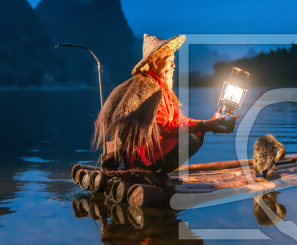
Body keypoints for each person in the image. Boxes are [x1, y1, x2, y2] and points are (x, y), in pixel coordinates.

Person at [94, 34, 236, 178]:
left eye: (174, 61)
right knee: (192, 139)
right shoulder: (146, 90)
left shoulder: (163, 88)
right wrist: (204, 125)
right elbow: (161, 128)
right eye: (170, 61)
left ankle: (157, 172)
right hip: (142, 157)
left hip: (156, 150)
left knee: (196, 135)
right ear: (155, 63)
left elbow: (178, 122)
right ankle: (149, 173)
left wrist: (208, 123)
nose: (174, 65)